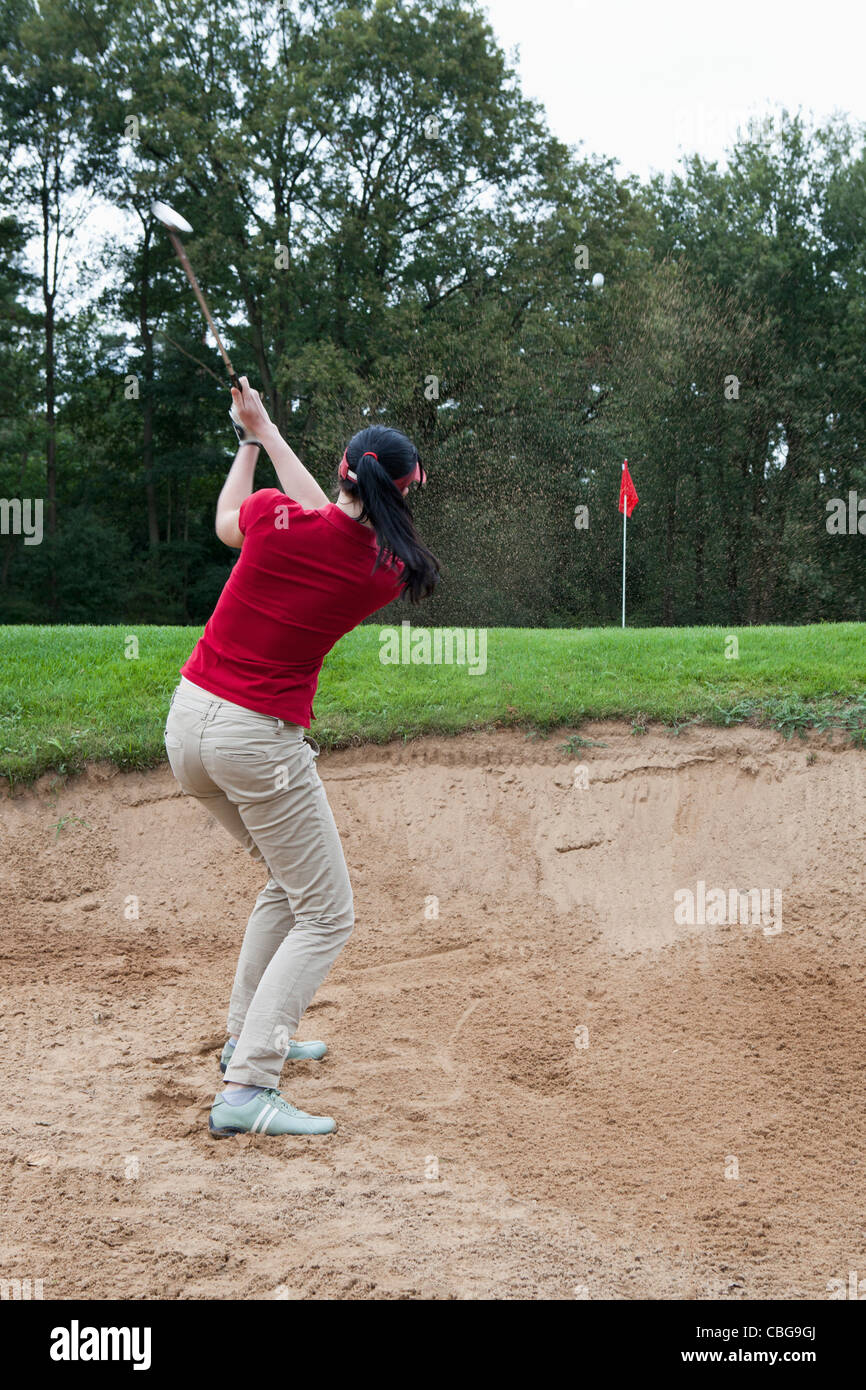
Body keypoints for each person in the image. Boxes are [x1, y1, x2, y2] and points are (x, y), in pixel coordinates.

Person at [163, 377, 439, 1138]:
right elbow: (333, 519)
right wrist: (264, 430)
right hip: (256, 744)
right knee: (328, 911)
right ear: (405, 491)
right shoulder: (384, 571)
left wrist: (250, 441)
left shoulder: (272, 519)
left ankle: (247, 1042)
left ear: (344, 472)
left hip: (187, 726)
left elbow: (229, 519)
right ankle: (248, 1088)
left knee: (291, 888)